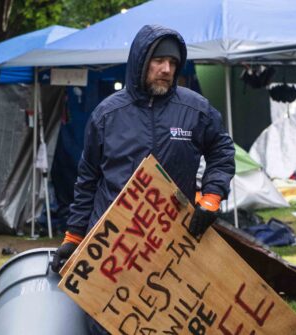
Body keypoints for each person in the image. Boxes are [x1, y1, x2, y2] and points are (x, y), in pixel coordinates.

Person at [50, 24, 235, 334]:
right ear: (140, 61)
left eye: (173, 63)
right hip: (113, 247)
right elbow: (87, 180)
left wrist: (212, 195)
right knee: (105, 324)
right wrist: (74, 236)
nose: (166, 69)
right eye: (158, 61)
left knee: (166, 323)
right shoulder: (107, 114)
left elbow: (222, 150)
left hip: (173, 244)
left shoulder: (194, 109)